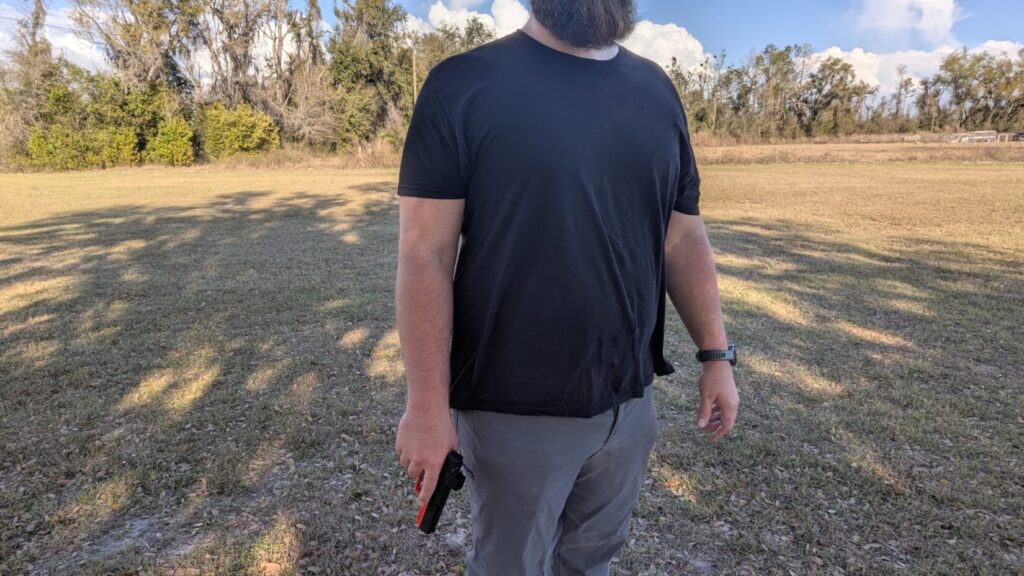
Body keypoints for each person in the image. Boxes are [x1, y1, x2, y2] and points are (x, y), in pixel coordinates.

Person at [394, 1, 740, 573]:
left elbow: (681, 237)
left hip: (629, 405)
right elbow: (424, 252)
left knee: (592, 561)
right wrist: (426, 406)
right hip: (513, 412)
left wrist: (716, 356)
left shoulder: (656, 91)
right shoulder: (463, 83)